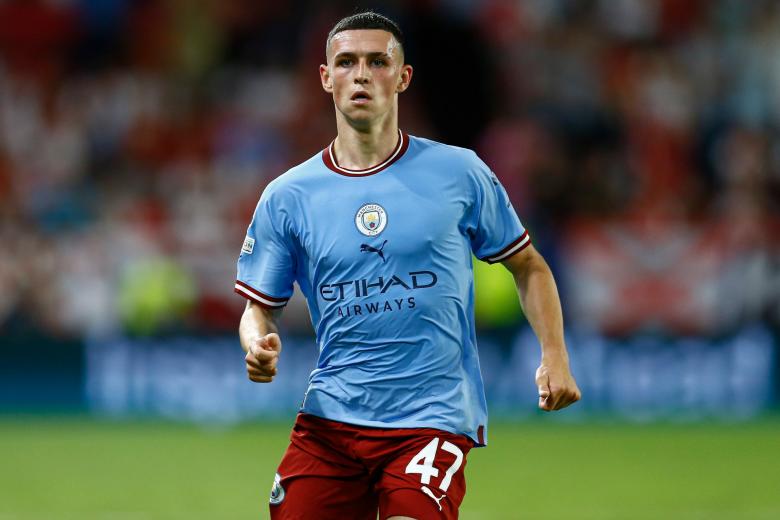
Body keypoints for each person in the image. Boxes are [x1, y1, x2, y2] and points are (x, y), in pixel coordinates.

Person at [234, 11, 580, 520]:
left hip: (432, 417)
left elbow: (528, 266)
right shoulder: (288, 196)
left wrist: (554, 355)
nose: (362, 74)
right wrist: (256, 343)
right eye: (347, 62)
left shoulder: (459, 172)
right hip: (331, 420)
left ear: (403, 76)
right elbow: (257, 308)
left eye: (378, 61)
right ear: (326, 78)